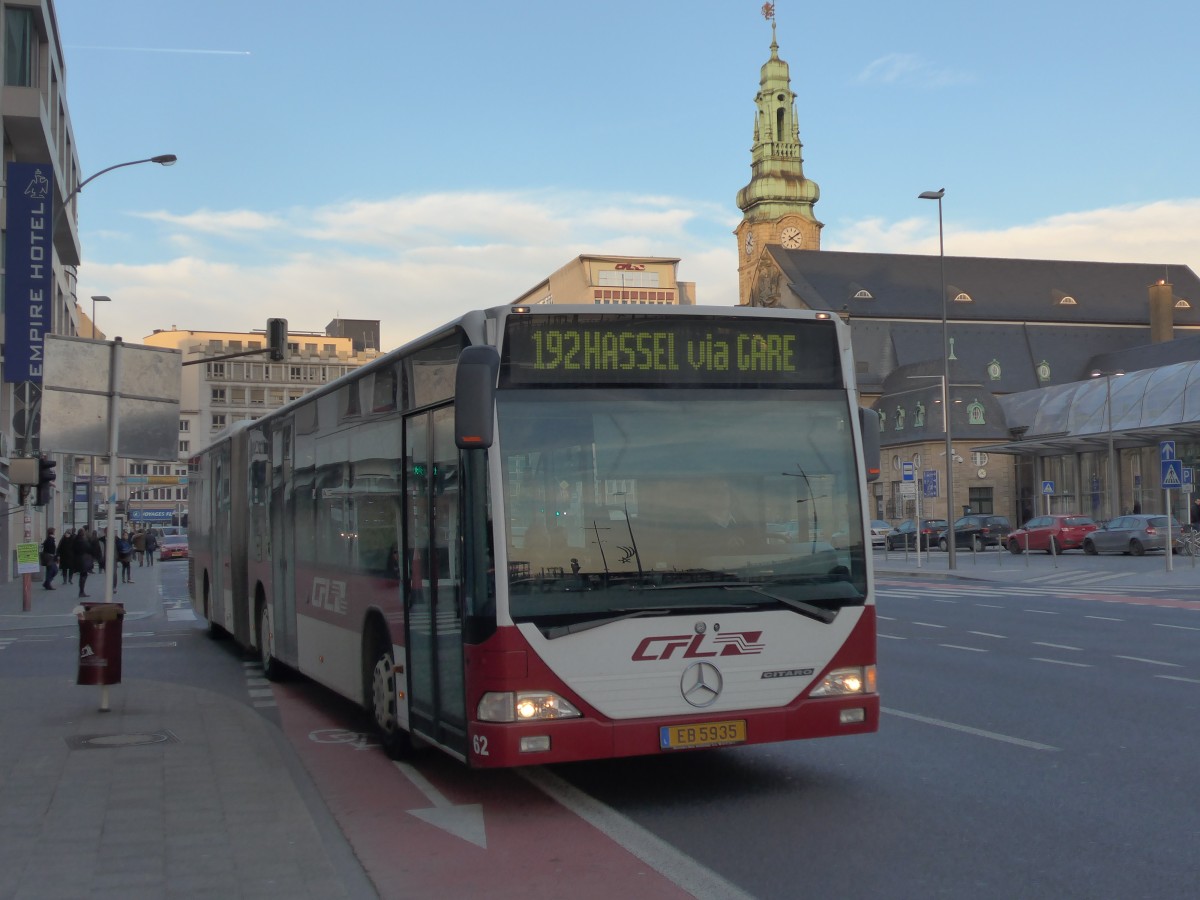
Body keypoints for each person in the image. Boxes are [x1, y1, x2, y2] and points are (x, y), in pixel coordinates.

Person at [74, 527, 94, 598]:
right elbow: (89, 549)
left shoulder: (76, 540)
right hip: (84, 560)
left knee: (82, 575)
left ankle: (81, 591)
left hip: (78, 560)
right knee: (84, 575)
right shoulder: (83, 541)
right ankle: (81, 591)